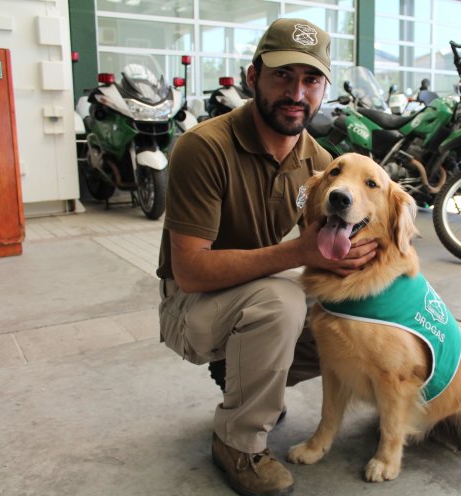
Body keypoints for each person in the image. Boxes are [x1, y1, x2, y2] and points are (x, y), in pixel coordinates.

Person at [156, 18, 378, 496]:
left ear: (323, 88)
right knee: (281, 301)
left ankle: (247, 378)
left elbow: (341, 239)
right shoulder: (204, 148)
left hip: (246, 301)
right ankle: (237, 442)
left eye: (311, 80)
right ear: (253, 77)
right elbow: (190, 271)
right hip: (189, 307)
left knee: (353, 317)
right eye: (282, 75)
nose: (296, 93)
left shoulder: (319, 163)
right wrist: (299, 251)